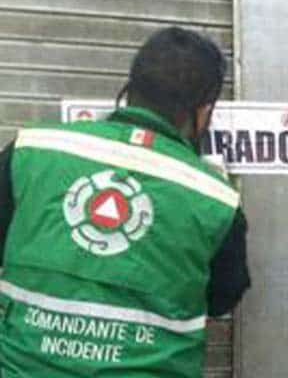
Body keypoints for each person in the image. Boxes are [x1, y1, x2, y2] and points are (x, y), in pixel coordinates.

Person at [0, 27, 250, 377]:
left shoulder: (30, 152)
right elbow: (222, 297)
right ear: (203, 112)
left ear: (129, 90)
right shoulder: (216, 199)